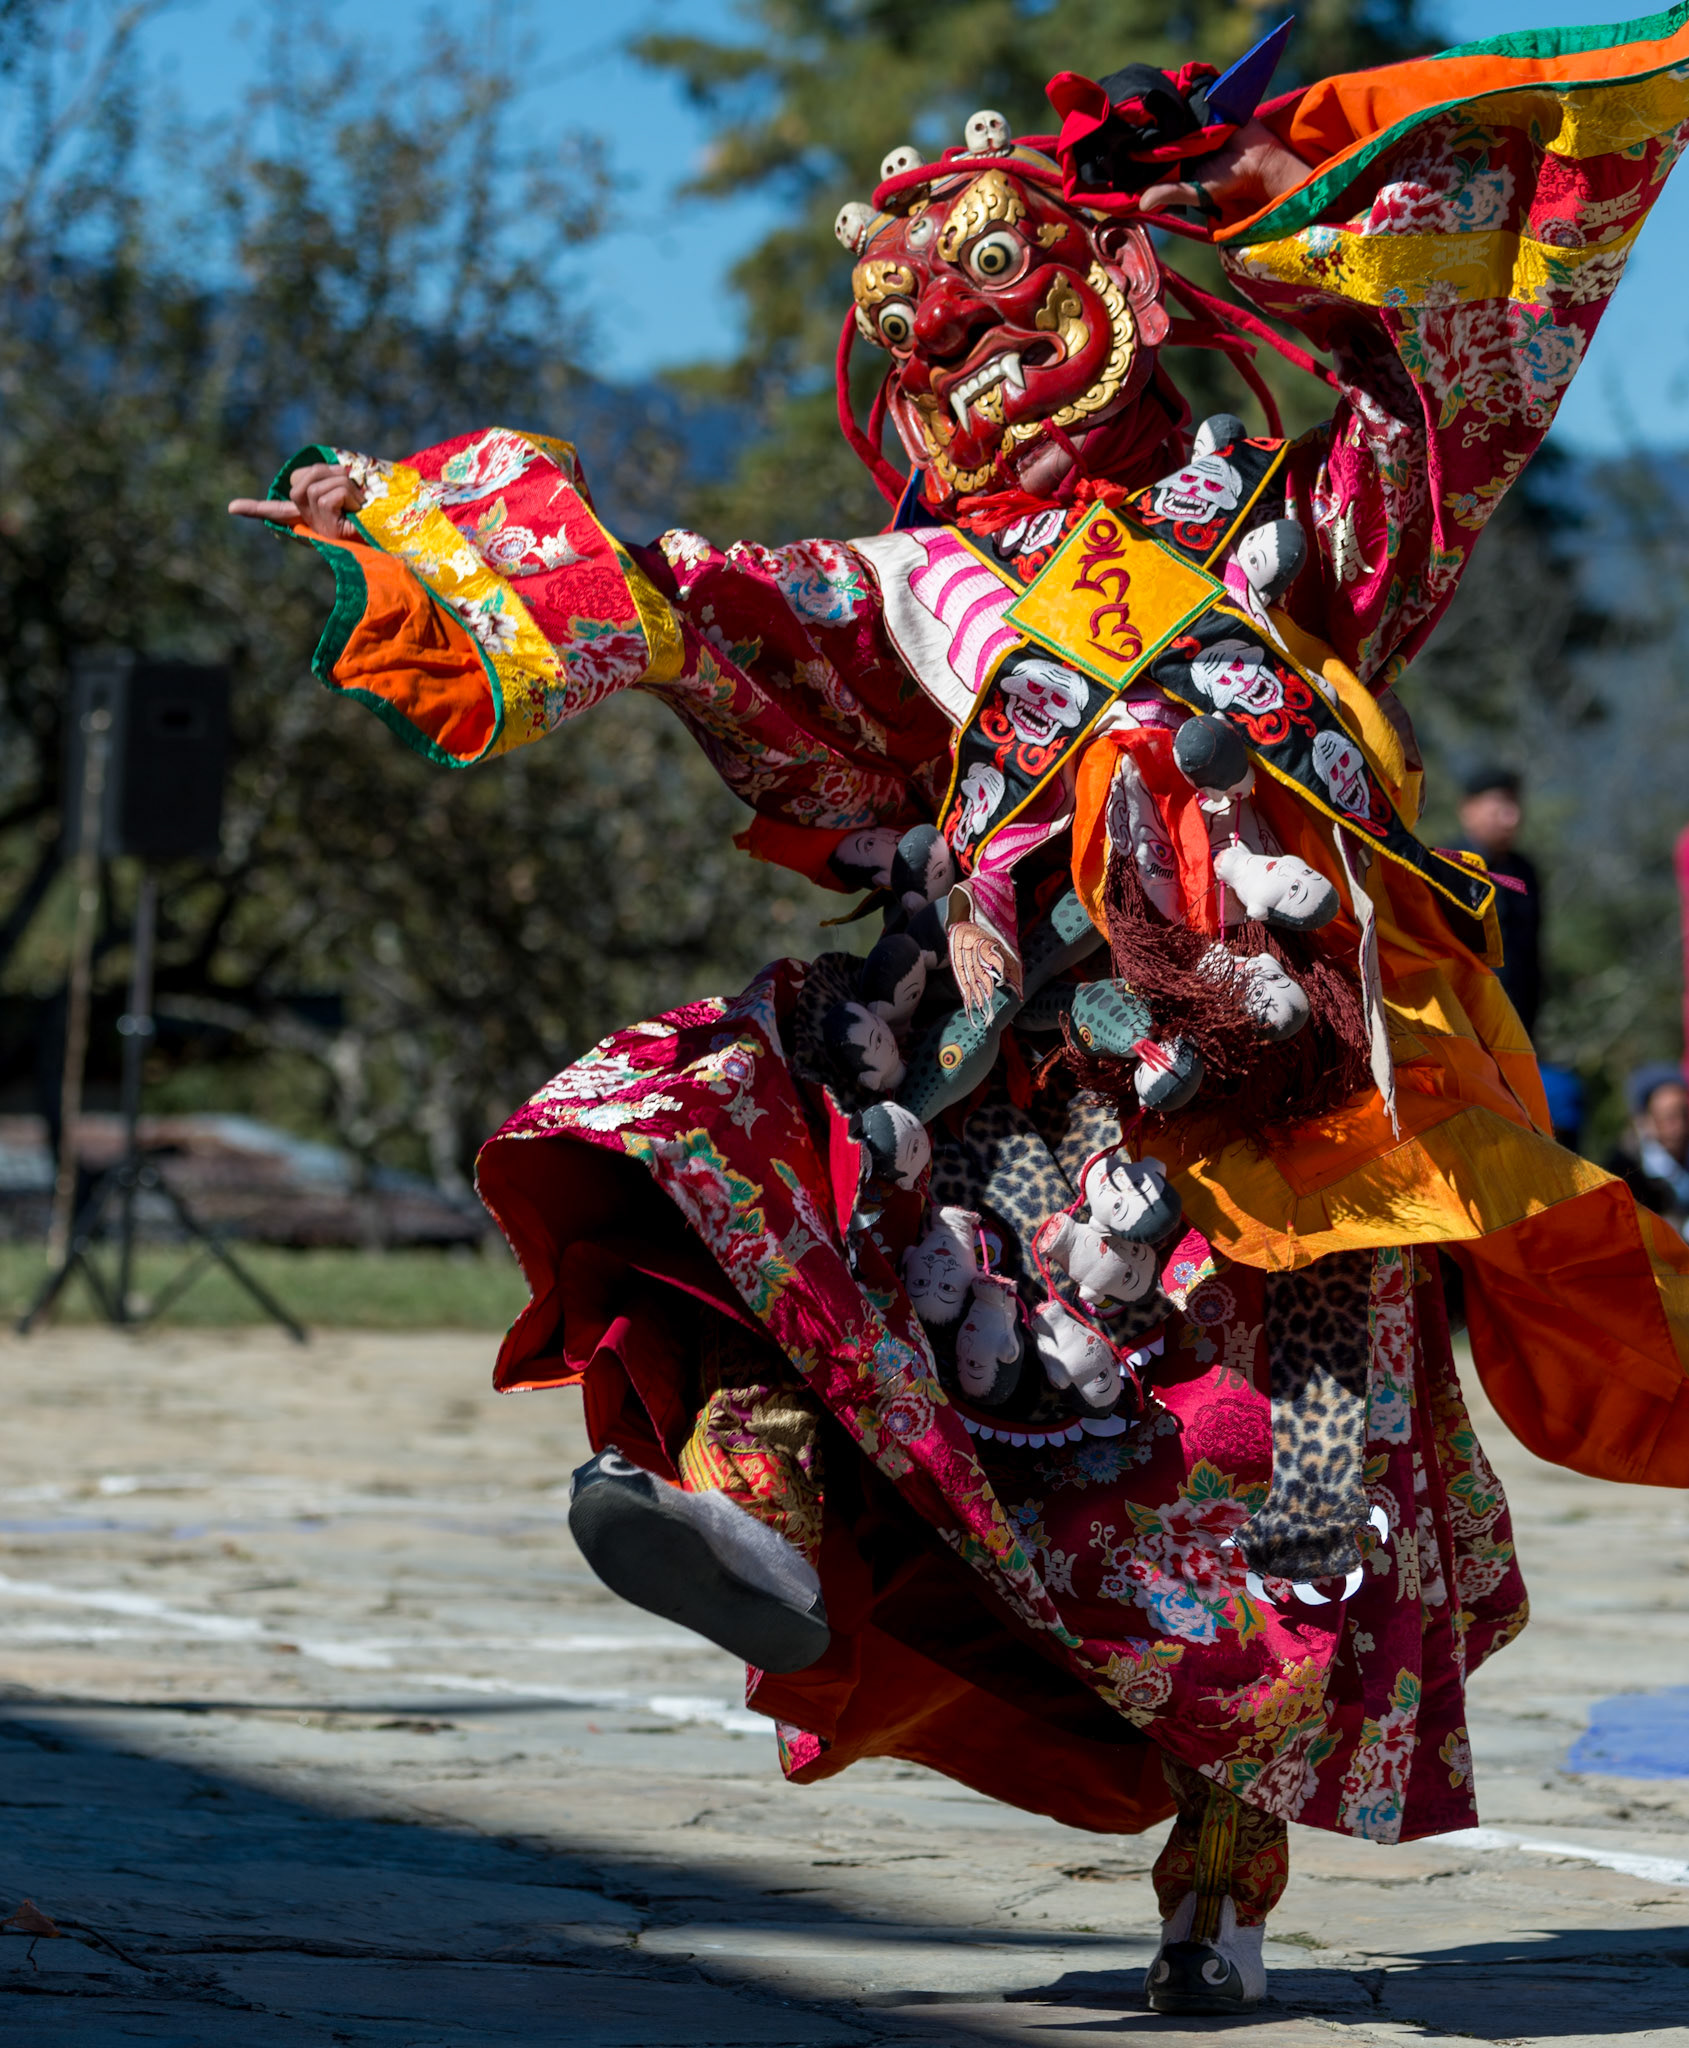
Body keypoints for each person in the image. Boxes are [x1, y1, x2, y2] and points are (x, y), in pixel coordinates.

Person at [230, 14, 1689, 2017]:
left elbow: (1436, 388)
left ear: (1110, 285)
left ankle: (1224, 1852)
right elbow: (700, 597)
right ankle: (757, 1497)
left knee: (1284, 1498)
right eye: (903, 316)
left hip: (1306, 1122)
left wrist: (1269, 199)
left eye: (990, 275)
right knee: (720, 1112)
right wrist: (434, 537)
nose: (943, 333)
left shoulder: (1290, 532)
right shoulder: (932, 583)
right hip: (1037, 1090)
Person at [1457, 767, 1543, 1036]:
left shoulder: (1524, 872)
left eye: (1515, 806)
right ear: (1469, 810)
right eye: (1500, 807)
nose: (1512, 819)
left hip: (1517, 1024)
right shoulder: (1446, 866)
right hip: (1465, 1024)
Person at [1608, 1062, 1689, 1236]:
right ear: (1646, 1120)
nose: (1680, 1126)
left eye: (1684, 1114)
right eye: (1669, 1117)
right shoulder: (1627, 1169)